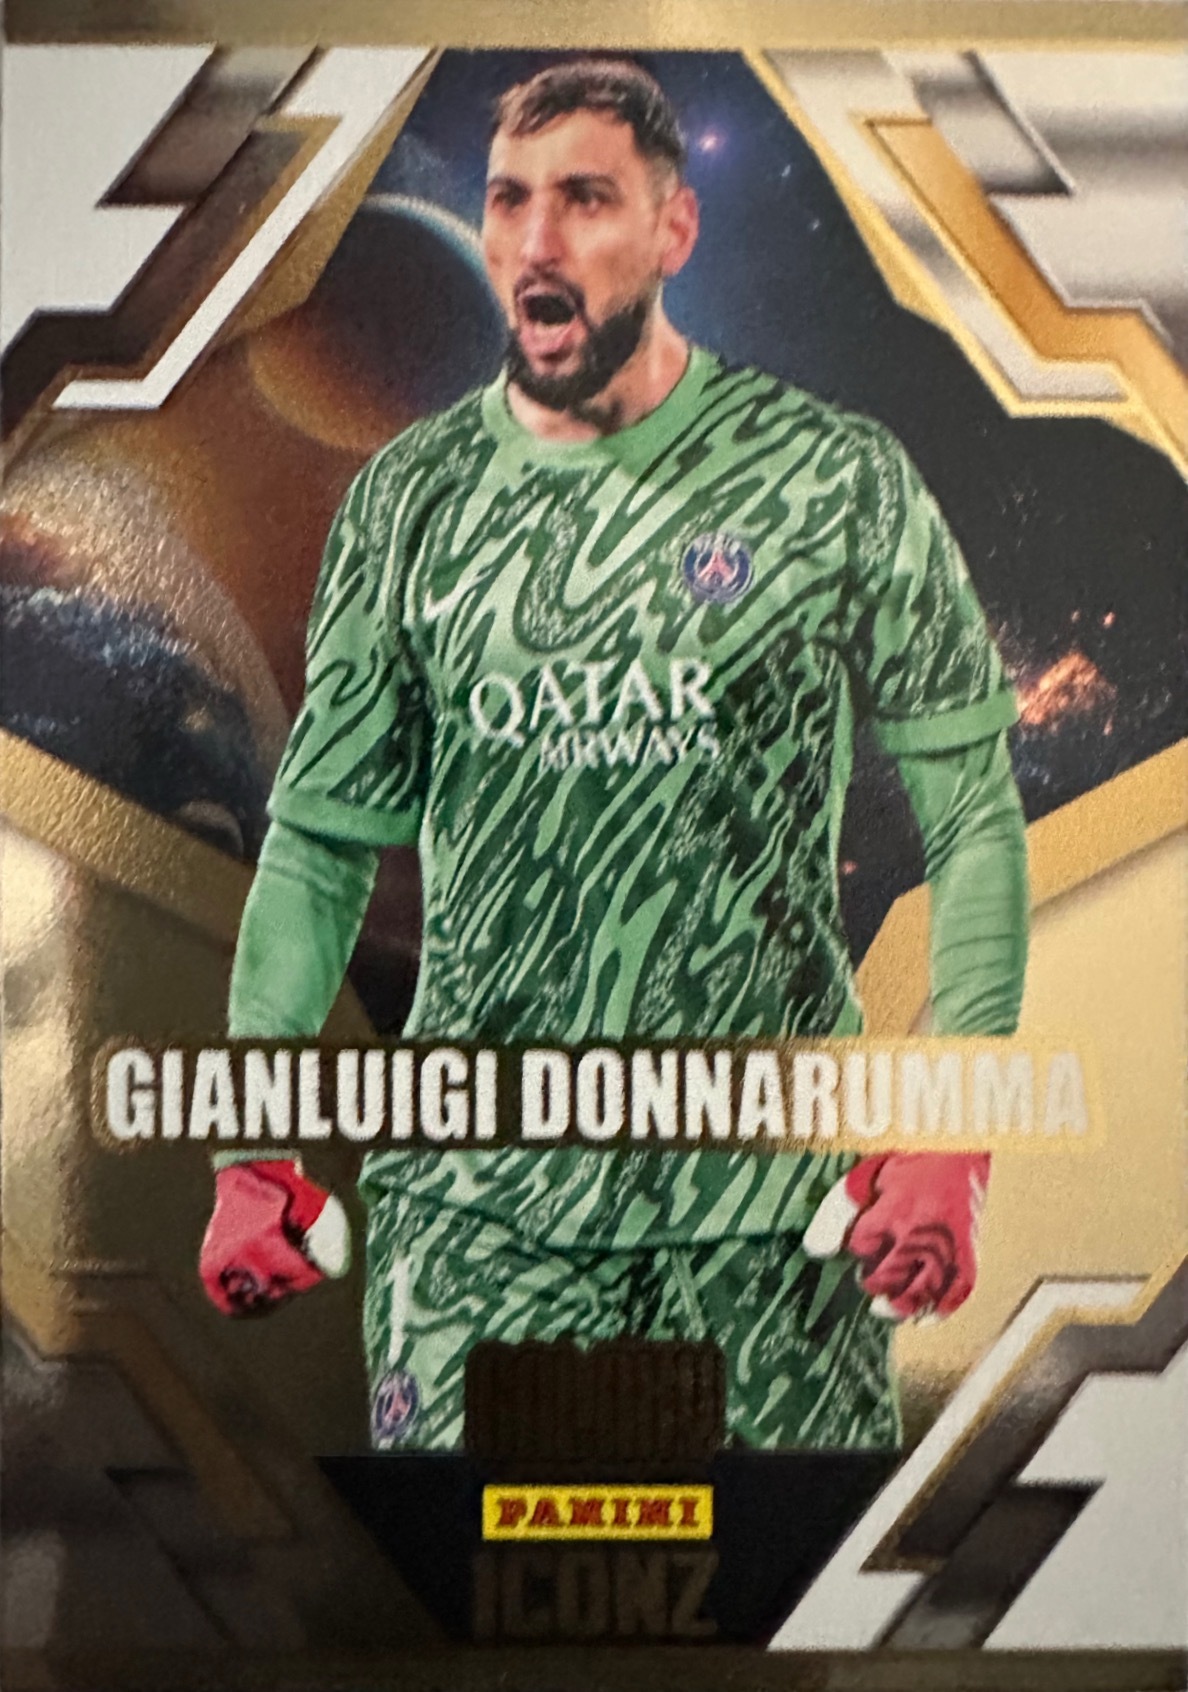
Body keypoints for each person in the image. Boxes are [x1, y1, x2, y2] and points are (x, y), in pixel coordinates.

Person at [200, 59, 1028, 1453]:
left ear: (672, 229)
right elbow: (321, 850)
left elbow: (975, 822)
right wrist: (252, 1142)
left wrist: (955, 1127)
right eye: (508, 200)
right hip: (474, 1235)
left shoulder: (835, 479)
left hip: (770, 1234)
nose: (535, 239)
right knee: (486, 1590)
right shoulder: (411, 502)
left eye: (585, 198)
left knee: (779, 1593)